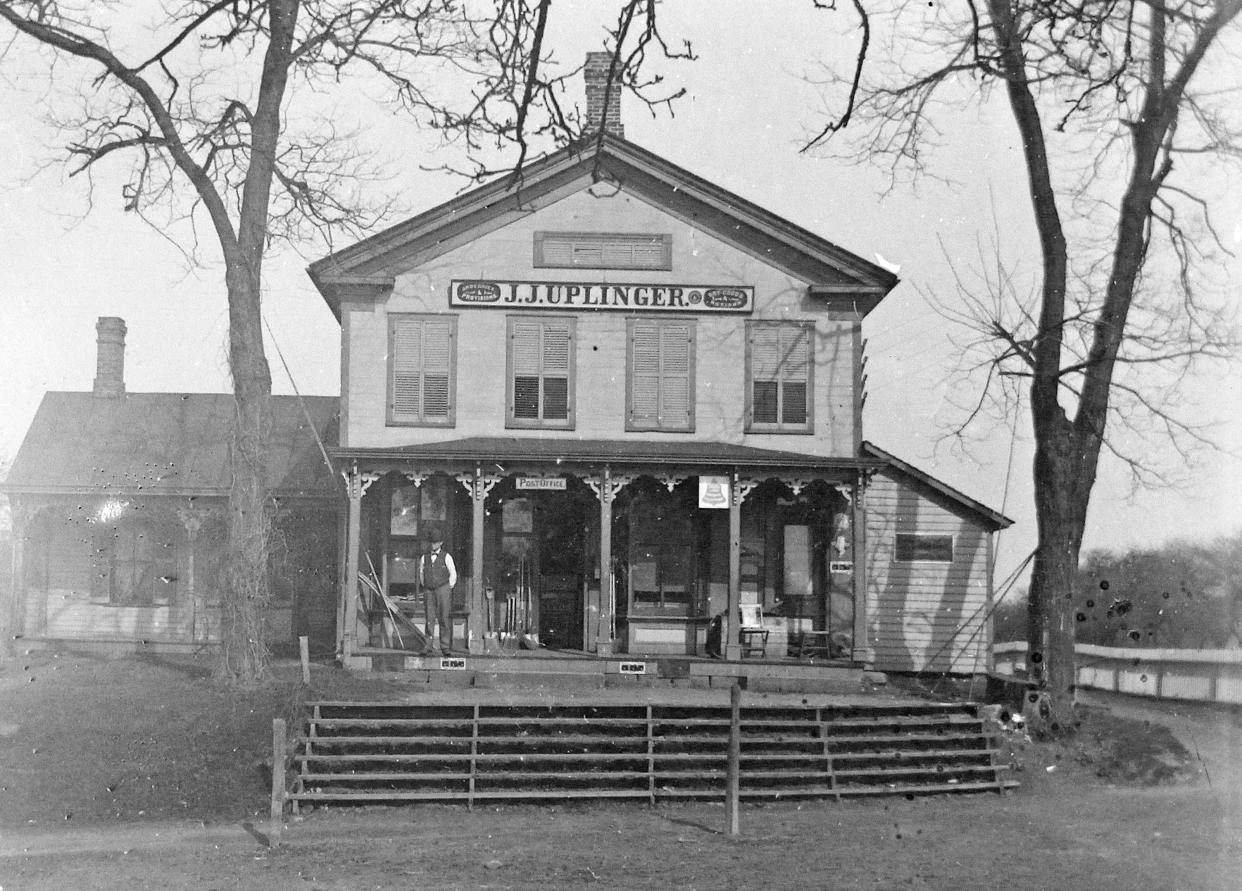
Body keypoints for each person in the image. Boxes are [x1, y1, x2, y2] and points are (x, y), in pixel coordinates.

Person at [419, 534, 458, 656]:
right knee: (429, 618)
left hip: (443, 589)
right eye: (431, 542)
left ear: (441, 543)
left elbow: (453, 574)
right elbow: (421, 574)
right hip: (429, 590)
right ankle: (428, 645)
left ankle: (445, 646)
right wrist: (427, 585)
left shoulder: (447, 557)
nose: (433, 544)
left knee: (443, 618)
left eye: (436, 542)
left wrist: (447, 588)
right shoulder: (424, 558)